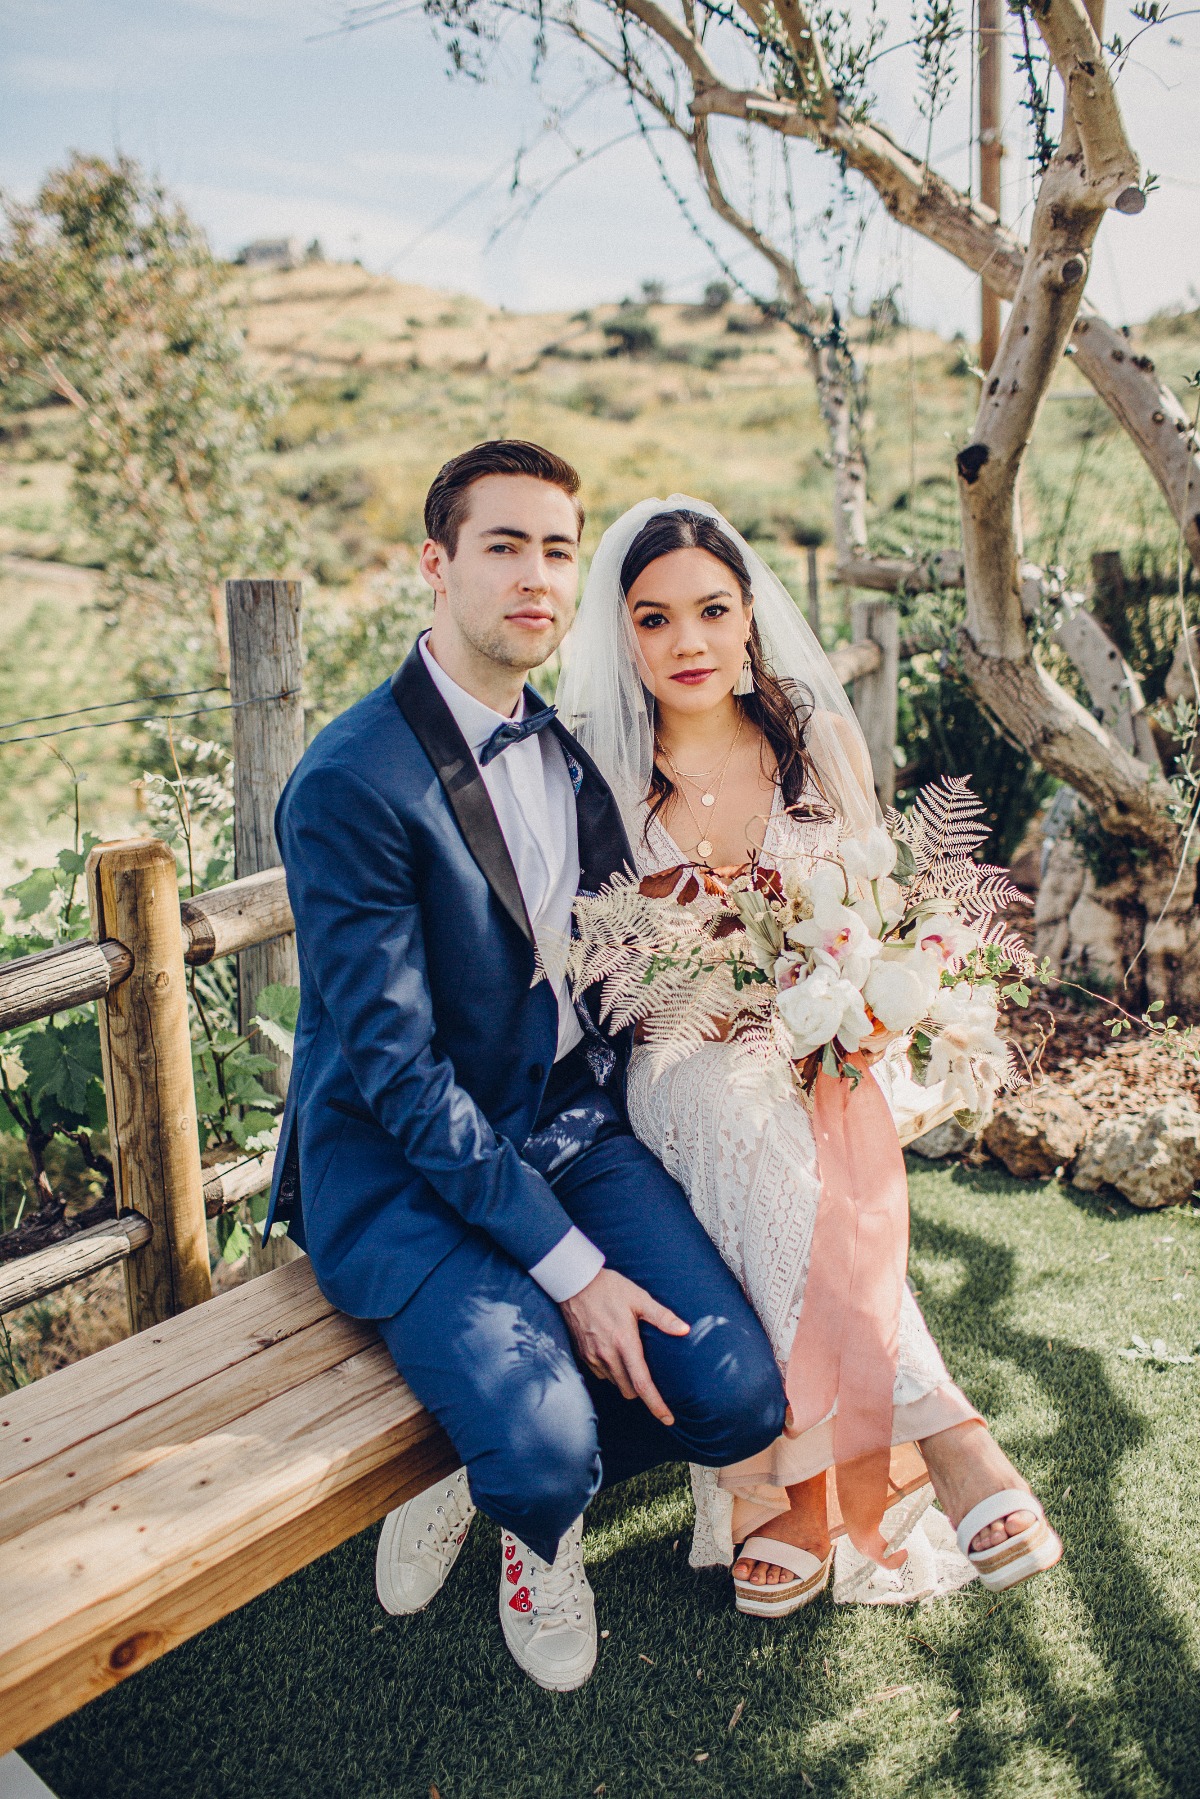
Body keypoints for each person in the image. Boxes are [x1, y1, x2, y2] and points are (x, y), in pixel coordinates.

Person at [261, 445, 786, 1691]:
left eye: (559, 548)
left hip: (563, 1125)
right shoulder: (349, 782)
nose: (537, 574)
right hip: (404, 1167)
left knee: (736, 1395)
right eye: (504, 545)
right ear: (435, 565)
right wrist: (575, 1270)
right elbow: (397, 1076)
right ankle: (532, 1522)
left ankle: (483, 1438)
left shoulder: (564, 743)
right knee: (547, 1459)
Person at [557, 497, 1064, 1616]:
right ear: (623, 634)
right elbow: (595, 963)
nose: (686, 642)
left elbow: (877, 896)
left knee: (792, 1124)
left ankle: (798, 1478)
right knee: (743, 1108)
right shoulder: (598, 772)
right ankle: (952, 1431)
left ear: (749, 618)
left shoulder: (815, 740)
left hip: (821, 1042)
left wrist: (868, 1000)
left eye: (710, 610)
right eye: (653, 619)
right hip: (679, 1059)